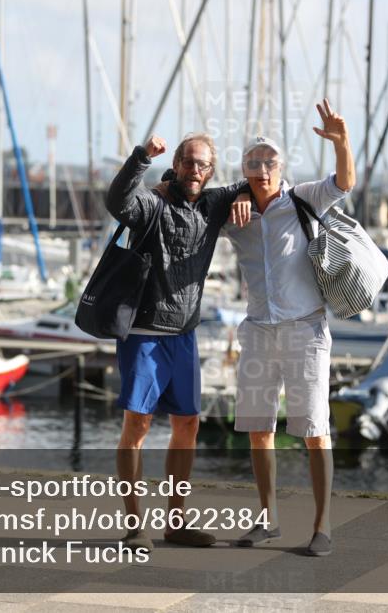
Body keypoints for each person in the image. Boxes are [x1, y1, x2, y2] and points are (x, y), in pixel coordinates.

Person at [104, 133, 250, 552]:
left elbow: (261, 185)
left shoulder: (212, 203)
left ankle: (176, 522)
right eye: (189, 163)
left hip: (184, 335)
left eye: (203, 165)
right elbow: (118, 202)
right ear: (178, 164)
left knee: (188, 423)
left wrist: (241, 191)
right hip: (145, 335)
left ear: (211, 170)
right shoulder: (153, 202)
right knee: (139, 425)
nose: (195, 171)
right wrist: (139, 157)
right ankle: (135, 525)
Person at [224, 99, 355, 557]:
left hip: (305, 328)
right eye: (253, 163)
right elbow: (186, 195)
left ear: (281, 168)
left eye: (270, 162)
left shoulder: (302, 197)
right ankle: (268, 520)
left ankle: (322, 527)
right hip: (258, 330)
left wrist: (341, 142)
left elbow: (344, 183)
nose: (262, 169)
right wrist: (235, 194)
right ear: (243, 169)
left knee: (315, 428)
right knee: (259, 428)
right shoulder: (234, 209)